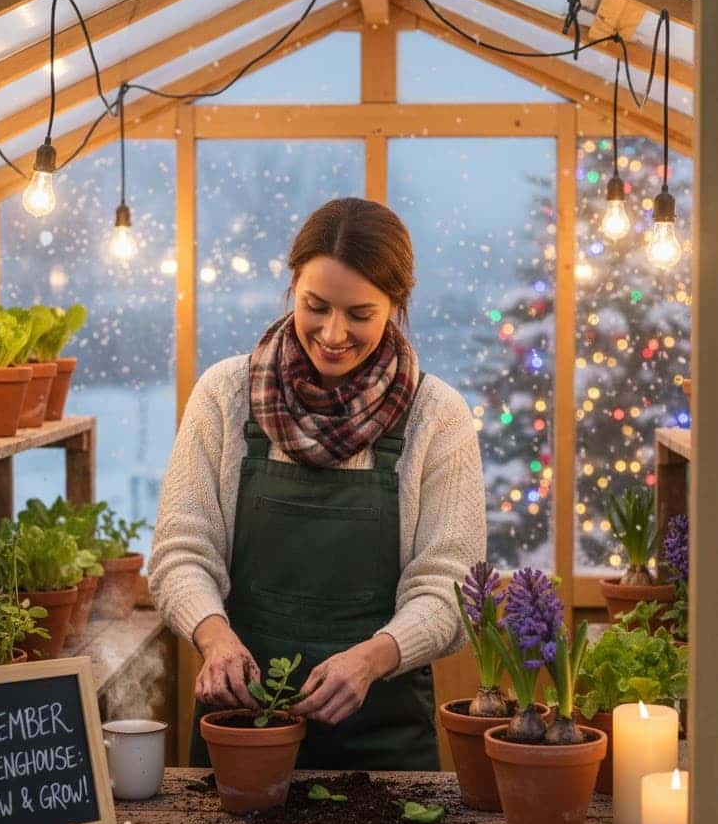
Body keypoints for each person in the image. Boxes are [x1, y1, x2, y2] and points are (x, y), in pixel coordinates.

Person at [149, 197, 485, 770]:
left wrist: (373, 659)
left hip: (384, 745)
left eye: (360, 314)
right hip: (241, 729)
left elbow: (451, 587)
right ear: (293, 288)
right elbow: (181, 551)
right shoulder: (226, 396)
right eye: (316, 306)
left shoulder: (436, 416)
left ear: (396, 306)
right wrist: (214, 638)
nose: (333, 333)